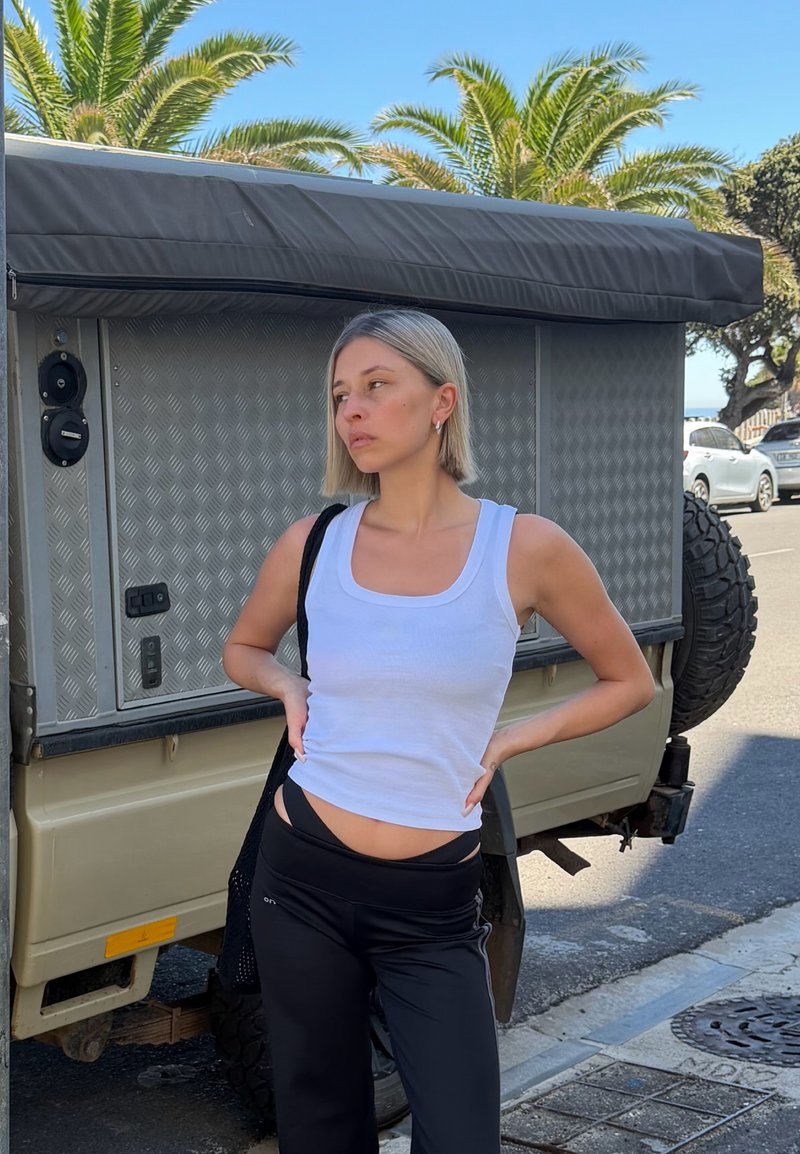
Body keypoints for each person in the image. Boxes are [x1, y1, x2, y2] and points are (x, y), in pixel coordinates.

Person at [222, 308, 655, 1154]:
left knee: (461, 1136)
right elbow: (243, 646)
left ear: (442, 400)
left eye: (378, 386)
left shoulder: (523, 546)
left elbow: (629, 680)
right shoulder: (312, 541)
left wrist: (509, 741)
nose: (352, 410)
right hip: (299, 876)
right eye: (341, 393)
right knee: (318, 1127)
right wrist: (286, 683)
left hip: (431, 900)